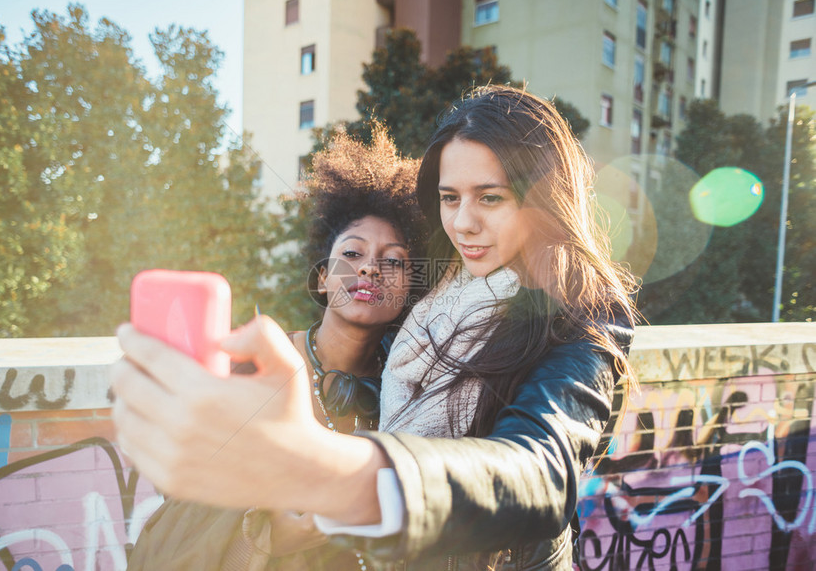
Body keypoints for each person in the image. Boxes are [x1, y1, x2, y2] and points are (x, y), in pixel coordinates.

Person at [112, 85, 638, 571]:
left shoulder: (582, 317)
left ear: (544, 200)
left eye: (491, 197)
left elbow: (541, 477)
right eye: (450, 198)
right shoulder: (429, 307)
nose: (463, 223)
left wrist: (328, 470)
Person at [125, 125, 427, 570]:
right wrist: (270, 540)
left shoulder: (415, 392)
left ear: (409, 287)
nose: (370, 270)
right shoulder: (253, 369)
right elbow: (189, 528)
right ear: (323, 278)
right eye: (352, 254)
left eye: (393, 261)